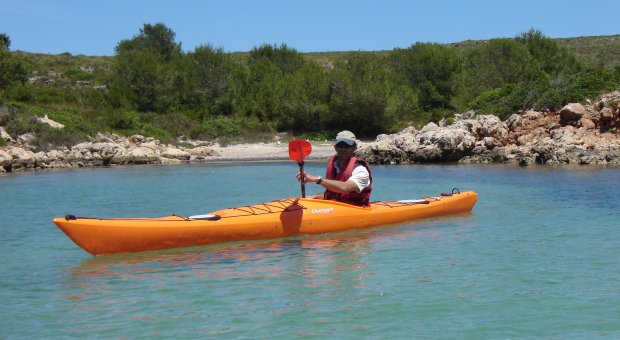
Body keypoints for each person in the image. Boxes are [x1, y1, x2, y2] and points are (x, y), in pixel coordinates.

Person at [297, 130, 372, 206]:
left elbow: (345, 187)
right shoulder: (334, 165)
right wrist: (314, 197)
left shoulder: (360, 170)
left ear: (354, 148)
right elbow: (332, 195)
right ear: (335, 147)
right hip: (336, 209)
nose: (343, 149)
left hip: (356, 209)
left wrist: (317, 180)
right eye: (340, 145)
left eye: (347, 146)